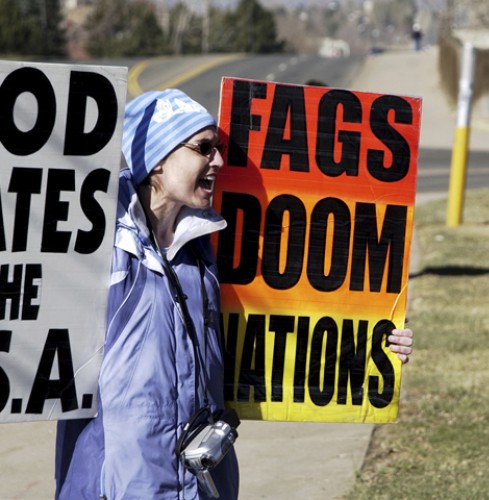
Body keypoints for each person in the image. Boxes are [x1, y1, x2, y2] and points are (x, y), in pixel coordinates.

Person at [54, 88, 414, 499]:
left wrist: (370, 344)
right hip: (117, 486)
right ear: (156, 160)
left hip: (203, 485)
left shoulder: (206, 243)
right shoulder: (93, 246)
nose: (219, 161)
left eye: (219, 148)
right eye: (204, 148)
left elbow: (282, 334)